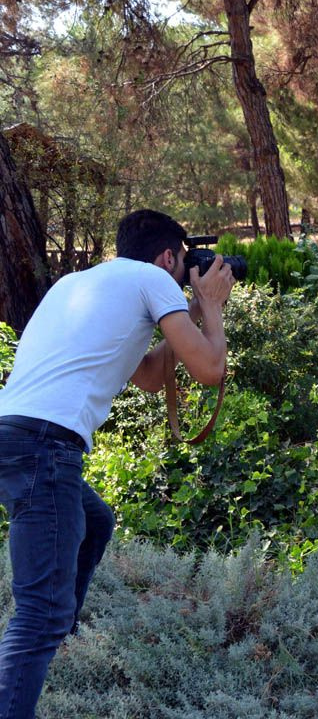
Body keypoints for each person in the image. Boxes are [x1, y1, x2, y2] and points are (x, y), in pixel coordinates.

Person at [0, 209, 233, 718]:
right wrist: (212, 307)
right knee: (38, 613)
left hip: (11, 434)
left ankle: (59, 635)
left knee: (96, 521)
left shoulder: (77, 283)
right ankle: (46, 638)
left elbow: (149, 374)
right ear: (169, 256)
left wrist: (190, 310)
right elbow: (210, 370)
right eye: (183, 263)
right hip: (46, 446)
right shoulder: (154, 278)